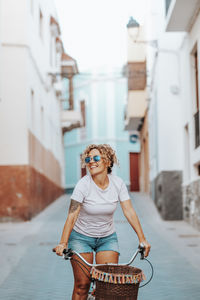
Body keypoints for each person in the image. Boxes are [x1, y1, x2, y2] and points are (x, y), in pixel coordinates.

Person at [54, 144, 151, 300]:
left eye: (96, 157)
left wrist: (142, 239)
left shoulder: (118, 183)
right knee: (82, 286)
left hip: (107, 238)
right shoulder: (83, 185)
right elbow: (72, 214)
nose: (91, 161)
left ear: (108, 161)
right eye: (88, 158)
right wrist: (63, 243)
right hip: (80, 238)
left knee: (107, 287)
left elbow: (129, 211)